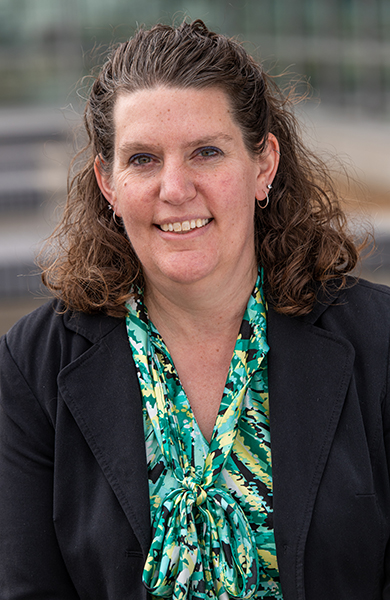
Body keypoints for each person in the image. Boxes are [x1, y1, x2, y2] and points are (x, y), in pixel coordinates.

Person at [1, 18, 390, 600]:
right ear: (108, 183)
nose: (175, 188)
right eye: (143, 159)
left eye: (206, 152)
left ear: (264, 165)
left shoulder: (379, 339)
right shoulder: (33, 365)